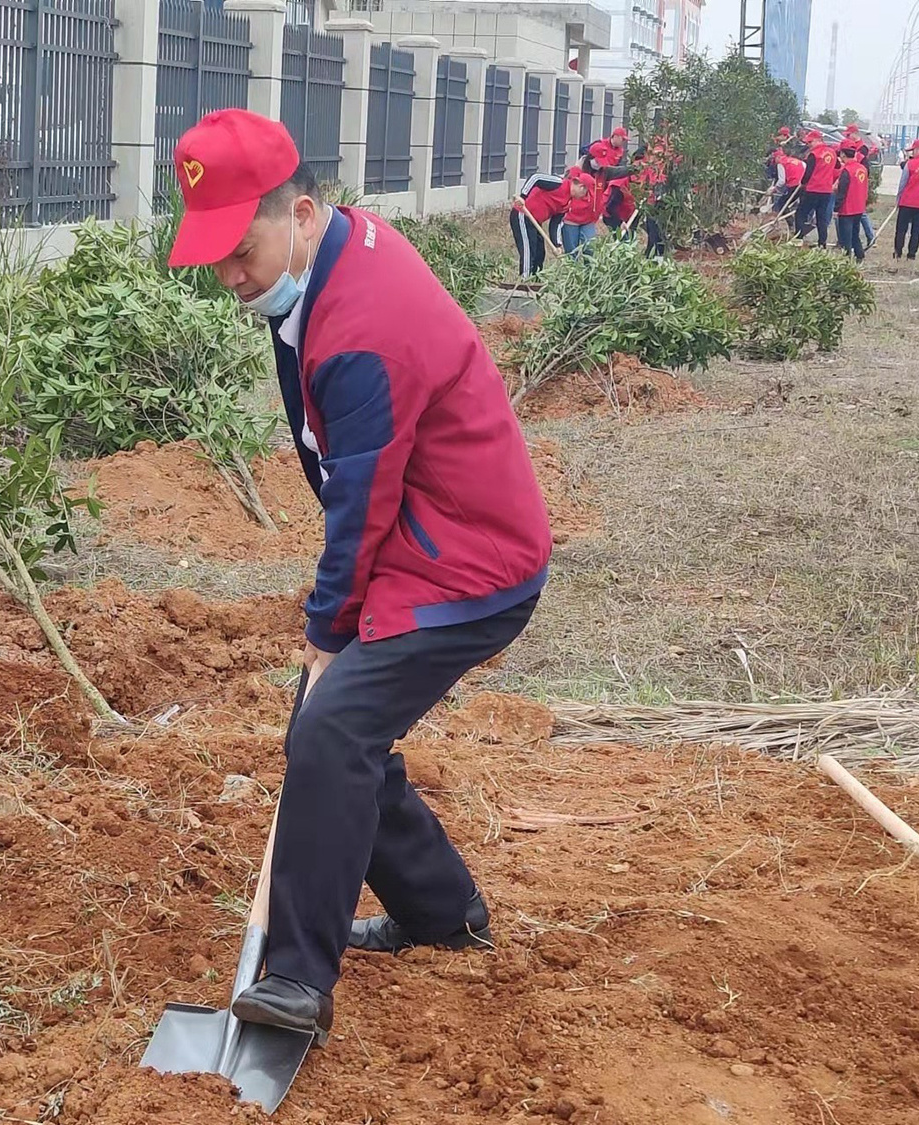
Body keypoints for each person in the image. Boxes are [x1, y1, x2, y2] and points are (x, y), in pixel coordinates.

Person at [164, 109, 551, 1042]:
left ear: (300, 211)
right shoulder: (323, 264)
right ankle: (443, 916)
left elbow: (362, 496)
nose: (228, 277)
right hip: (426, 541)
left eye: (239, 250)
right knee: (344, 732)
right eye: (212, 257)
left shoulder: (359, 328)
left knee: (329, 731)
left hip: (466, 564)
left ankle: (293, 976)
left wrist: (327, 625)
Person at [510, 172, 569, 277]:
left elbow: (555, 224)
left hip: (535, 221)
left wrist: (557, 244)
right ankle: (525, 281)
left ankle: (536, 279)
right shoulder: (559, 183)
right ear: (580, 186)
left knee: (539, 253)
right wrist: (523, 196)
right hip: (522, 214)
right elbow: (535, 177)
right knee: (529, 250)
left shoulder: (568, 203)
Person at [795, 130, 839, 248]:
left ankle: (798, 239)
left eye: (810, 142)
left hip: (813, 188)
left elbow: (808, 172)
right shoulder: (832, 152)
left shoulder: (814, 154)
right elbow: (837, 167)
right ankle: (822, 243)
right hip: (826, 191)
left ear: (819, 140)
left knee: (801, 213)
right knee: (821, 217)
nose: (808, 144)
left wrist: (803, 182)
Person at [834, 150, 871, 263]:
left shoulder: (847, 170)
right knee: (855, 233)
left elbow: (842, 191)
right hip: (859, 206)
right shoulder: (862, 168)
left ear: (843, 155)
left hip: (847, 208)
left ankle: (847, 258)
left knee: (846, 236)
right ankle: (859, 255)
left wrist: (836, 208)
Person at [560, 164, 601, 256]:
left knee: (590, 246)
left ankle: (590, 268)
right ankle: (572, 269)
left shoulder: (591, 190)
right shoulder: (570, 189)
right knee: (571, 250)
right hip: (570, 221)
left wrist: (595, 218)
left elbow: (598, 204)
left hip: (587, 221)